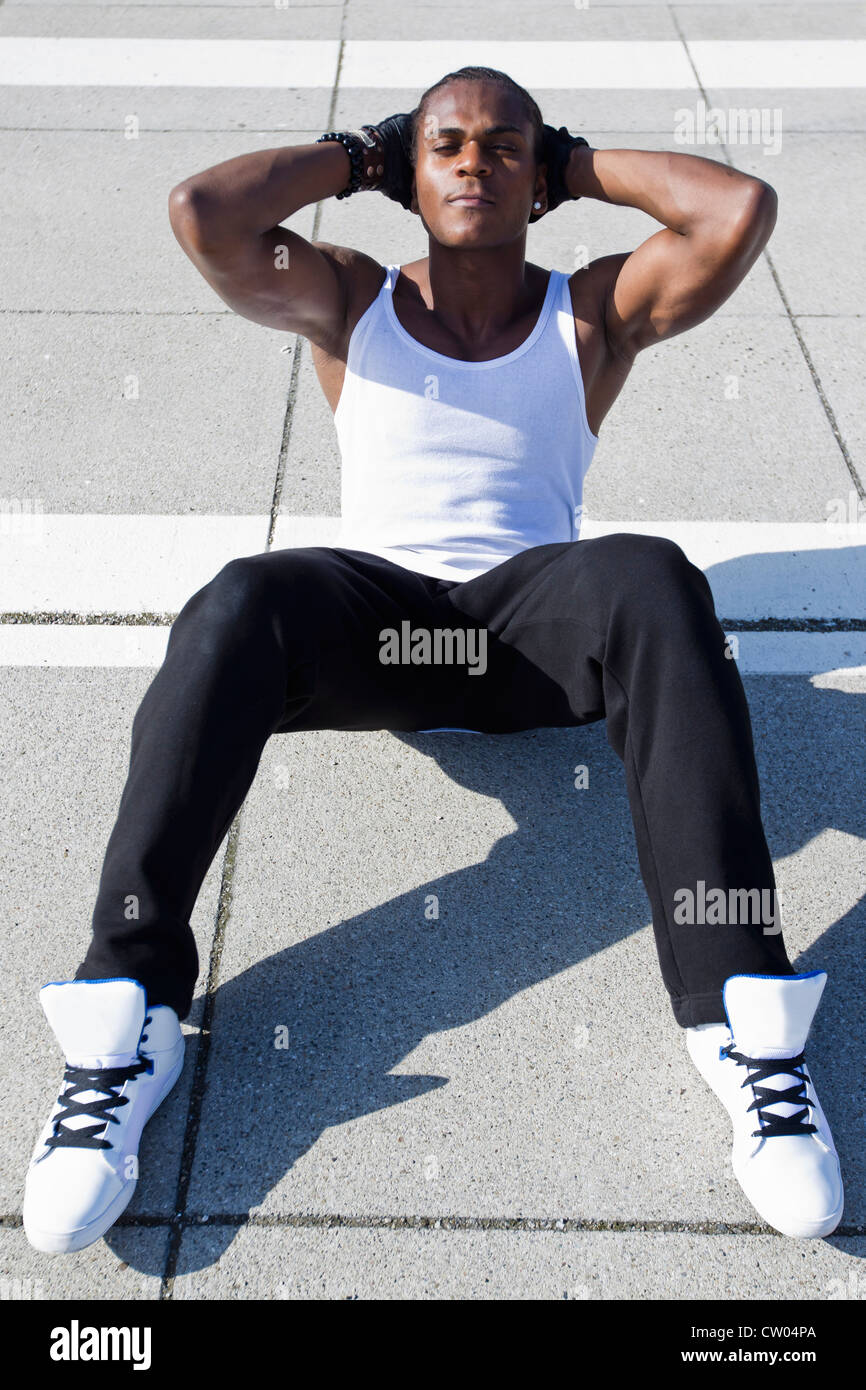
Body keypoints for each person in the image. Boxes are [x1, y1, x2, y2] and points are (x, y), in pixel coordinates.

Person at [23, 66, 843, 1254]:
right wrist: (363, 151)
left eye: (500, 147)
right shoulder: (349, 297)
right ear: (410, 173)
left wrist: (568, 164)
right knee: (237, 600)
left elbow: (735, 208)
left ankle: (744, 1026)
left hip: (537, 637)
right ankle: (123, 1019)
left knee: (656, 575)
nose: (471, 163)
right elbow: (205, 211)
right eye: (445, 146)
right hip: (381, 634)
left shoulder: (588, 310)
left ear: (535, 173)